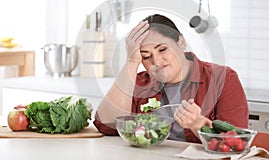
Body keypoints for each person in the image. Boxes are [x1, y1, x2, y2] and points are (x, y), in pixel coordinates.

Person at [94, 14, 249, 143]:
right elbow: (107, 126)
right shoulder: (139, 83)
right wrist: (131, 62)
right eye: (146, 57)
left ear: (181, 42)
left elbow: (235, 141)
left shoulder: (223, 79)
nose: (156, 62)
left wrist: (198, 124)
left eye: (162, 49)